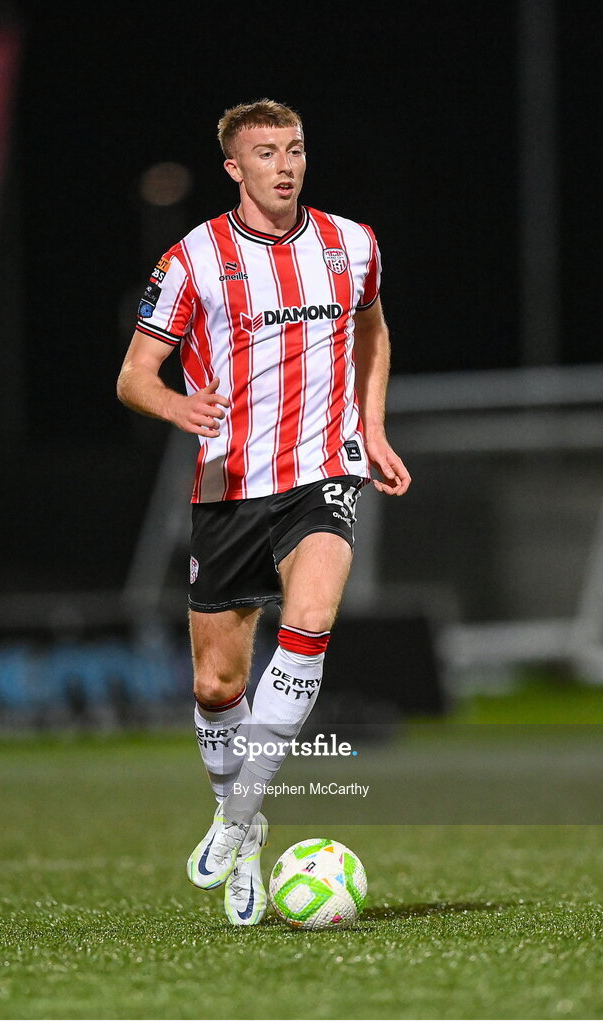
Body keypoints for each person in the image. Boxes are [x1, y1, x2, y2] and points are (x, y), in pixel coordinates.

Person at [117, 99, 411, 925]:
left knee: (312, 614)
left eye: (296, 149)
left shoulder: (353, 245)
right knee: (218, 685)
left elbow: (374, 331)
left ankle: (238, 818)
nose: (285, 165)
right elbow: (135, 375)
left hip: (323, 473)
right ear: (233, 168)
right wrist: (179, 410)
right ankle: (240, 829)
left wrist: (373, 428)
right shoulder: (193, 259)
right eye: (266, 153)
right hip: (227, 484)